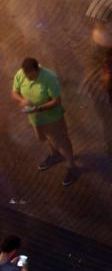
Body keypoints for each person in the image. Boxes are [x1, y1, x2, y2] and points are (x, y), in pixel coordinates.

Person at [11, 58, 79, 186]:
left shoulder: (49, 78)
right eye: (27, 76)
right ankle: (55, 155)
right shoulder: (21, 74)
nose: (29, 79)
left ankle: (72, 167)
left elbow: (56, 101)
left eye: (32, 76)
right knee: (47, 137)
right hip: (35, 118)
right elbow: (14, 92)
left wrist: (38, 108)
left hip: (52, 118)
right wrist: (22, 100)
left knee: (62, 141)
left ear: (37, 70)